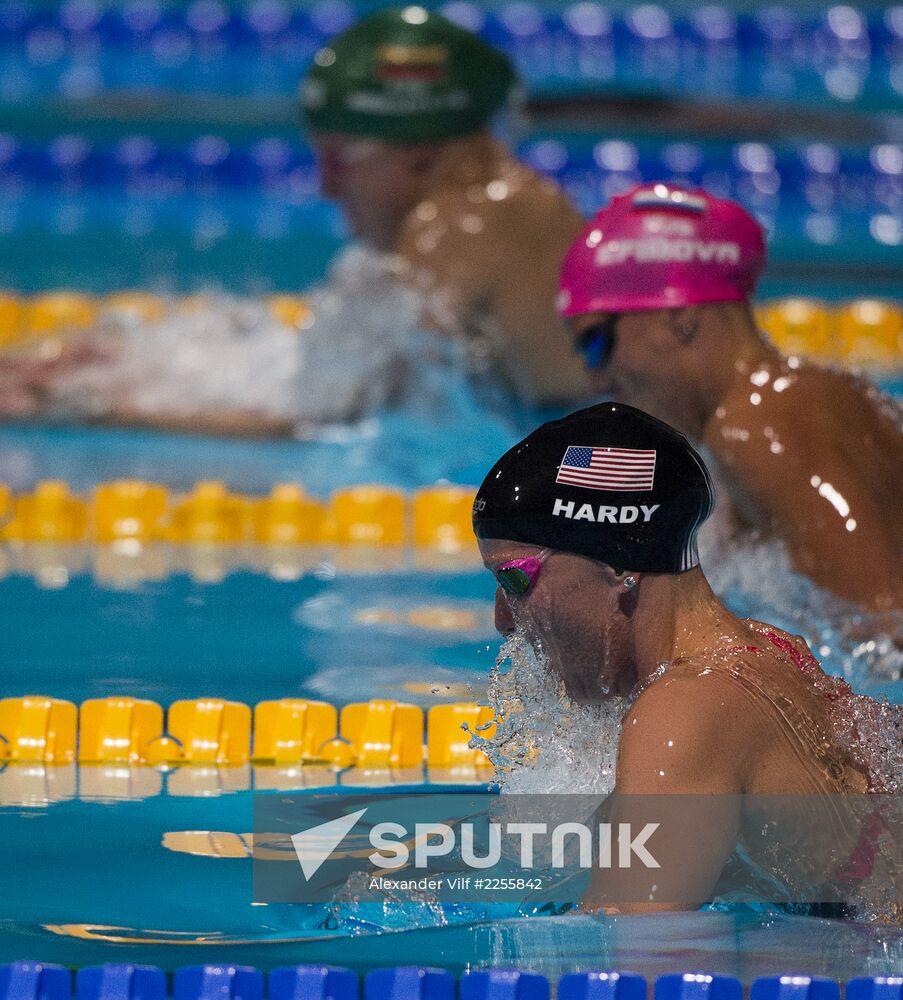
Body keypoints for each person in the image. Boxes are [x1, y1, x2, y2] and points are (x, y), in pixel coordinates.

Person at [473, 401, 900, 917]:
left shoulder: (686, 712)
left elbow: (618, 963)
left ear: (617, 561)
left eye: (515, 579)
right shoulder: (767, 650)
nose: (504, 619)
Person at [557, 182, 903, 612]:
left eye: (596, 342)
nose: (596, 379)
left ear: (677, 314)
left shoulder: (753, 426)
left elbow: (884, 630)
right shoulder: (799, 400)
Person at [300, 5, 589, 405]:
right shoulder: (527, 203)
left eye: (337, 160)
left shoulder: (452, 228)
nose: (327, 188)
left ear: (418, 150)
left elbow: (368, 412)